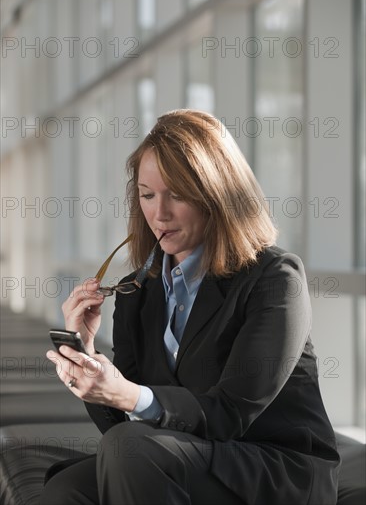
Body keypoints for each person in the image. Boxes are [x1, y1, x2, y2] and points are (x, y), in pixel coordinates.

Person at [41, 109, 340, 505]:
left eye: (177, 195)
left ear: (218, 196)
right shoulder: (136, 290)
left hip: (271, 466)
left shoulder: (275, 280)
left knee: (131, 449)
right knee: (67, 487)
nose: (158, 214)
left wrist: (129, 395)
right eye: (147, 195)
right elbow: (121, 424)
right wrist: (90, 357)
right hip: (181, 455)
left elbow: (231, 413)